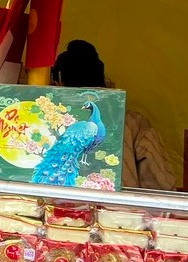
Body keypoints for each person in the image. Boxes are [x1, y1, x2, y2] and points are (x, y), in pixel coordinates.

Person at [51, 39, 176, 191]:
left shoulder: (47, 123)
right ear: (103, 82)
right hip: (117, 213)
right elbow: (159, 184)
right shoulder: (133, 123)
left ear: (58, 82)